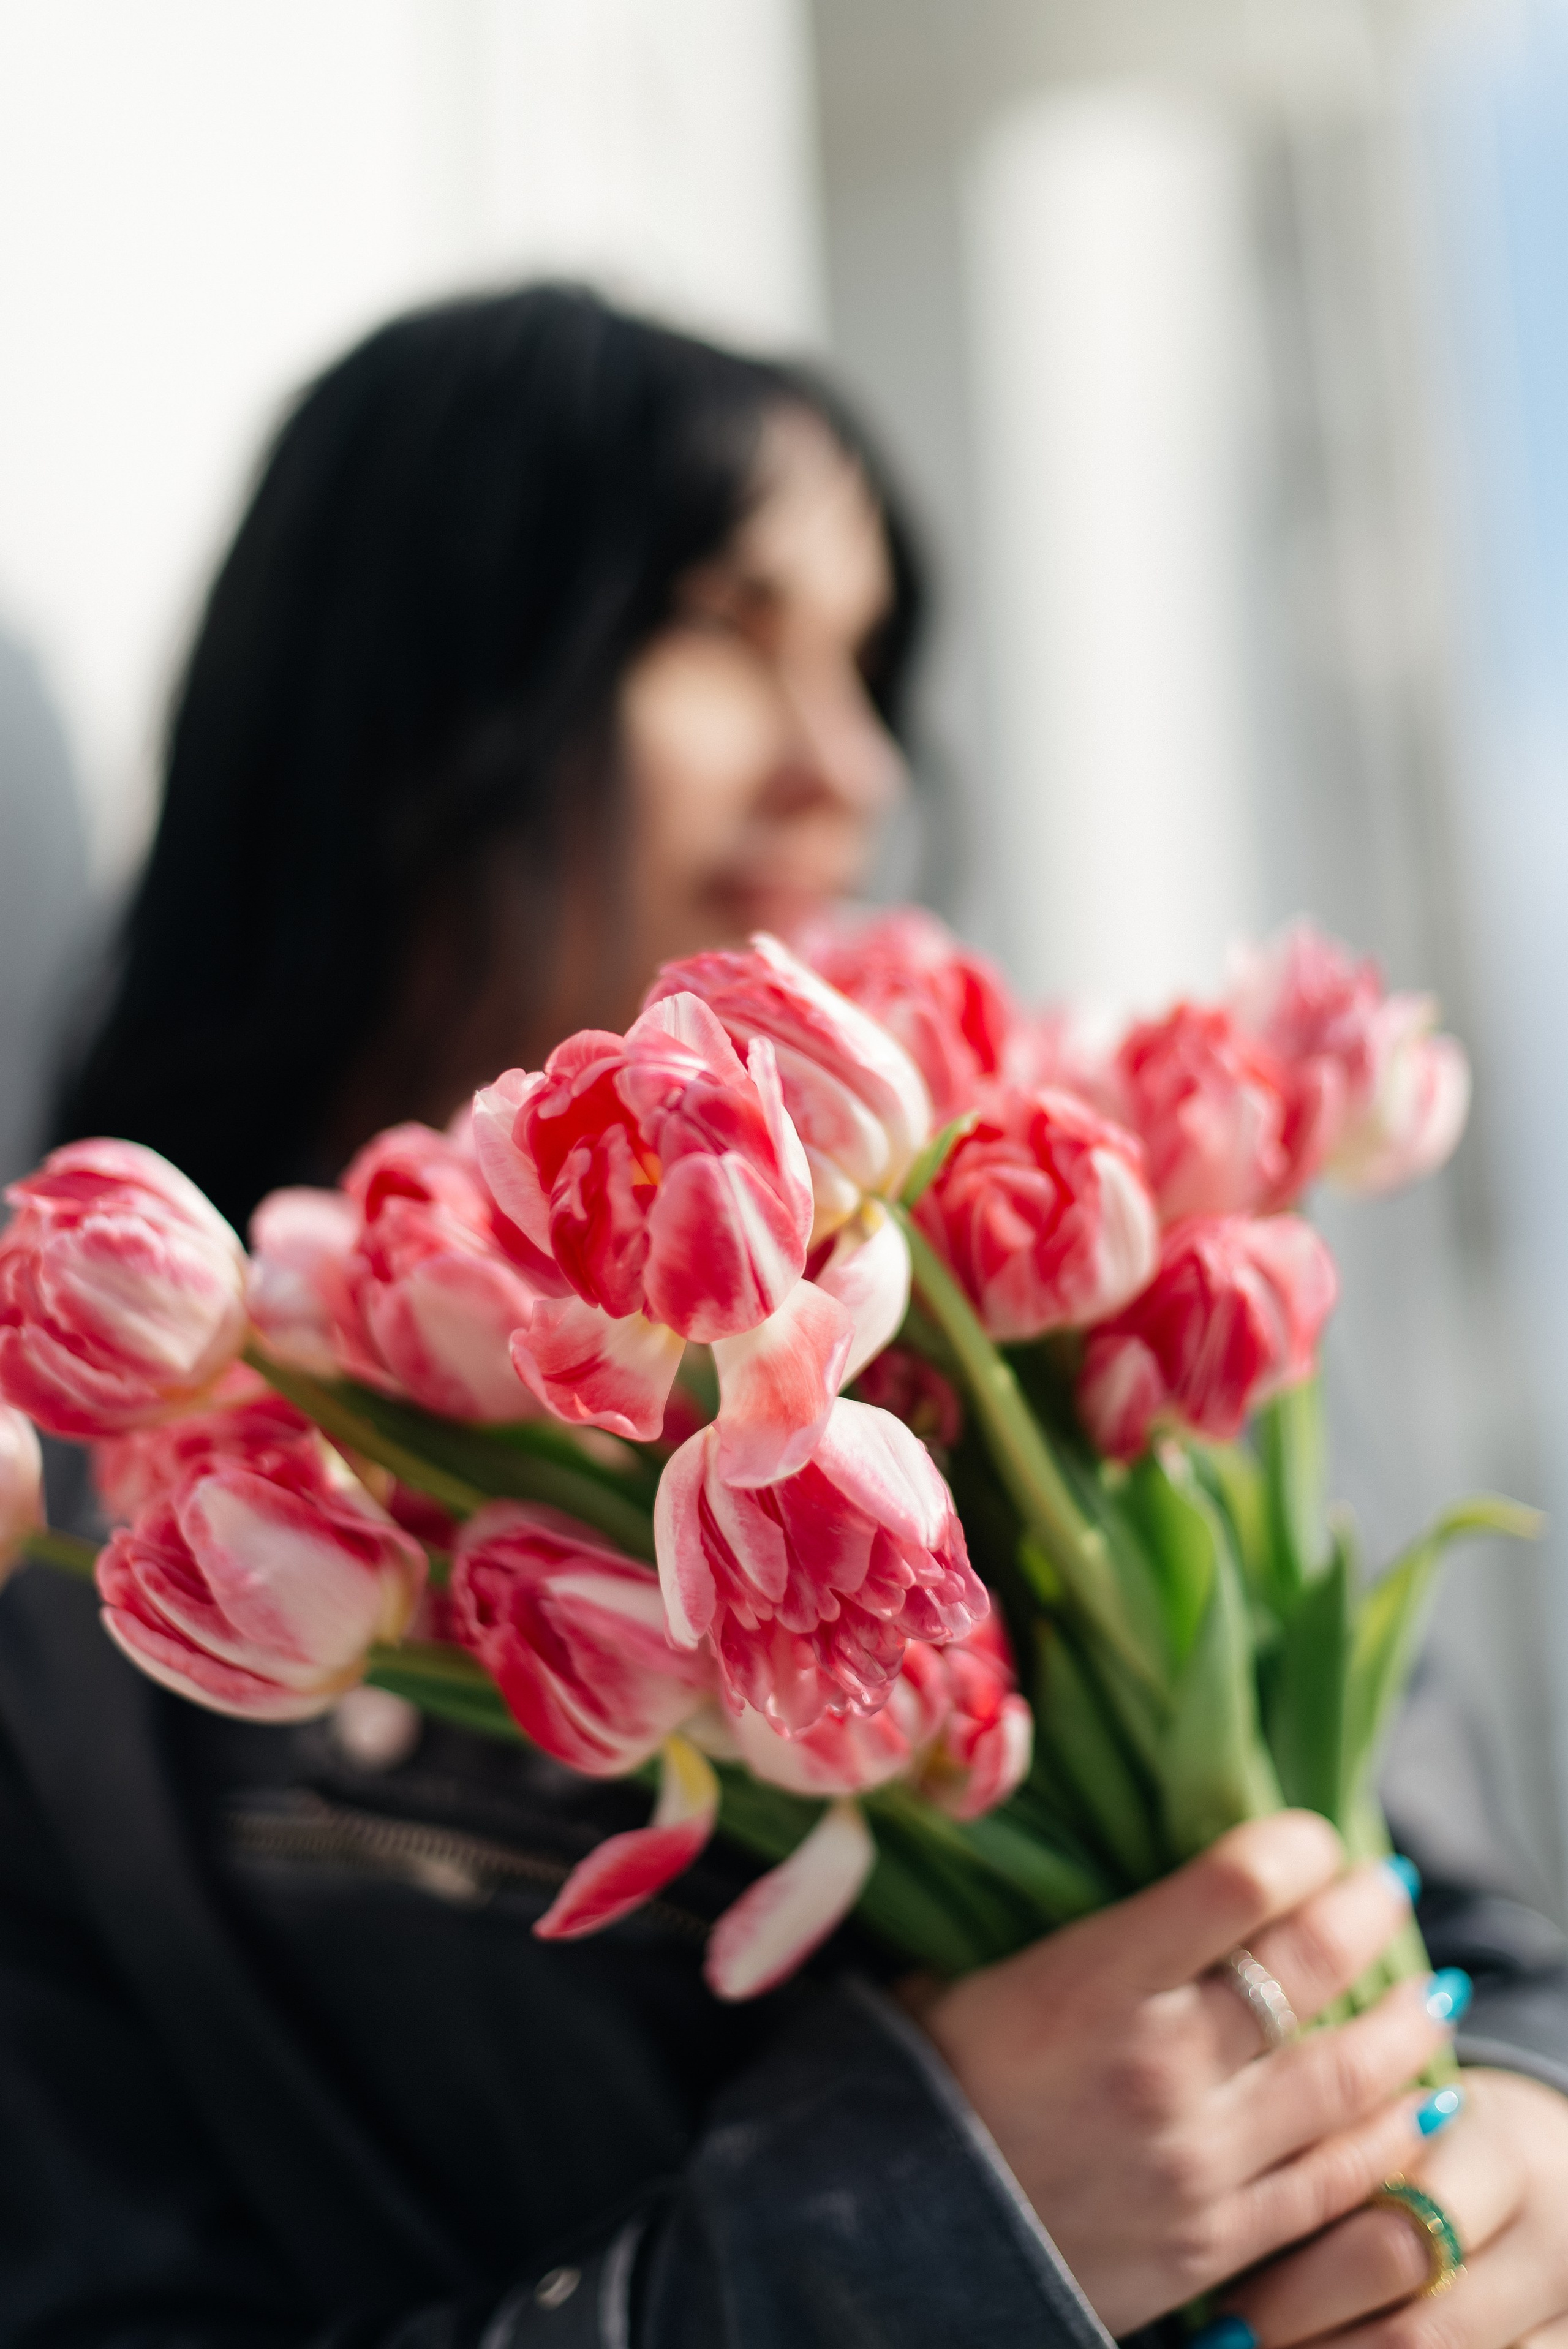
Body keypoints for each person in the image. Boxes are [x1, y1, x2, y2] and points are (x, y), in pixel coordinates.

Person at [5, 284, 1568, 2348]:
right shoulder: (95, 1576)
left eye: (862, 661)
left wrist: (1509, 2143)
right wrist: (910, 2238)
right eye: (727, 629)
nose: (849, 769)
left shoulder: (1075, 1281)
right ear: (412, 681)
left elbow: (1476, 1937)